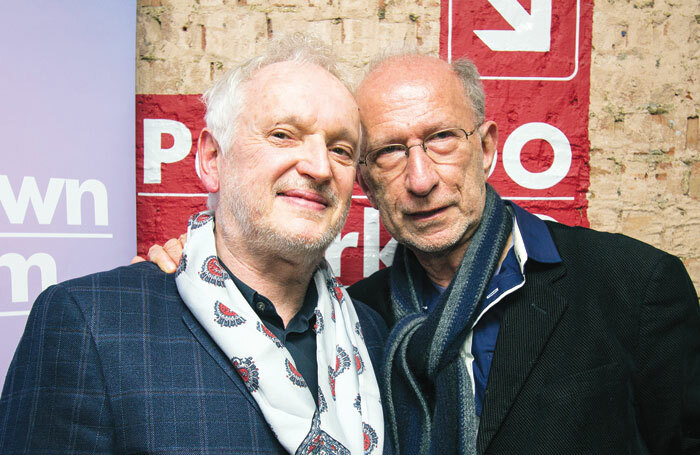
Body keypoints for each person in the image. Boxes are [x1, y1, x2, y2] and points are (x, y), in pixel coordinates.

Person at [146, 53, 700, 455]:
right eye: (388, 151)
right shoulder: (352, 319)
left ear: (485, 148)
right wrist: (193, 267)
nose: (420, 179)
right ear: (362, 177)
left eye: (441, 139)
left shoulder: (635, 287)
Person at [0, 35, 388, 455]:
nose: (319, 167)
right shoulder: (89, 321)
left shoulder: (371, 333)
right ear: (210, 159)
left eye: (341, 149)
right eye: (282, 135)